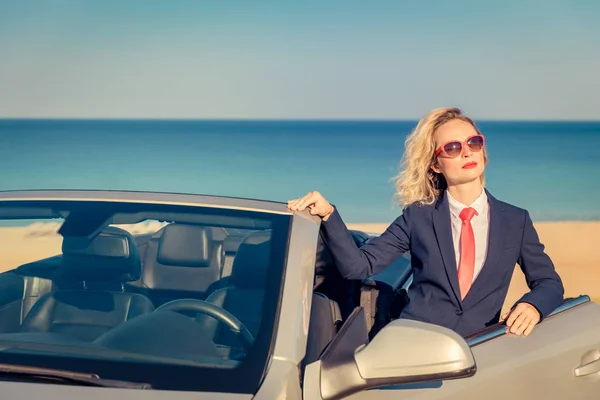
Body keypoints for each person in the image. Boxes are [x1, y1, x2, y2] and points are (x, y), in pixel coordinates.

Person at [287, 107, 564, 337]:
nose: (467, 152)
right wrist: (328, 215)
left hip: (479, 356)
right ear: (435, 164)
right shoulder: (417, 216)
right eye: (453, 148)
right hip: (414, 349)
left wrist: (532, 306)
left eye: (473, 142)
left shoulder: (516, 220)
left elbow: (549, 283)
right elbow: (358, 266)